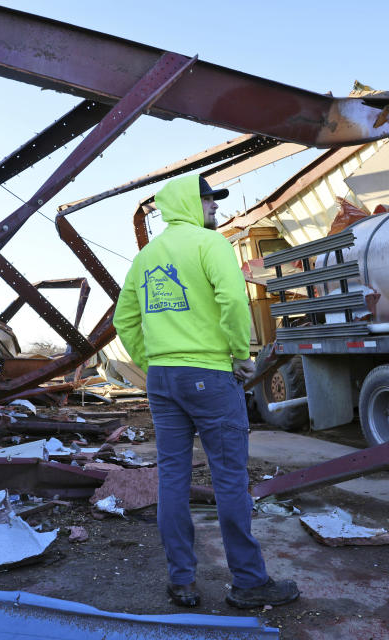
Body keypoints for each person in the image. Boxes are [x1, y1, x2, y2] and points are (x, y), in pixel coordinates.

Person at [113, 174, 300, 609]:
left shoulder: (145, 258)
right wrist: (238, 351)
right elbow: (233, 301)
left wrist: (151, 361)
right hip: (209, 376)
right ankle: (250, 583)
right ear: (187, 203)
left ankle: (182, 582)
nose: (214, 207)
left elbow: (124, 321)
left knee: (173, 480)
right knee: (230, 479)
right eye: (208, 200)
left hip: (163, 380)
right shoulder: (208, 244)